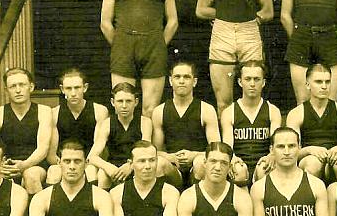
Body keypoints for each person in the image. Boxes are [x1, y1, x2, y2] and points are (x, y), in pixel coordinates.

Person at [100, 0, 179, 117]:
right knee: (123, 107)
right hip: (124, 45)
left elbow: (173, 21)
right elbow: (105, 23)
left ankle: (147, 147)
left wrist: (158, 43)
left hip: (153, 45)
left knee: (150, 109)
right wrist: (121, 43)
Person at [152, 61, 221, 189]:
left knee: (201, 163)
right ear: (170, 81)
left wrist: (194, 155)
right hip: (173, 170)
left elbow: (216, 149)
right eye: (177, 77)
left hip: (197, 169)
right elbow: (156, 151)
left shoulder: (206, 109)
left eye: (187, 77)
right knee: (158, 163)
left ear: (194, 82)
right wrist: (171, 157)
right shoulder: (159, 111)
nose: (182, 81)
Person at [0, 67, 52, 194]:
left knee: (31, 176)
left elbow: (43, 149)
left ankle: (35, 214)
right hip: (7, 165)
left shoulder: (44, 111)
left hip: (34, 164)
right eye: (13, 86)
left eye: (22, 85)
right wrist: (0, 166)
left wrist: (24, 165)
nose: (18, 90)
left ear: (31, 87)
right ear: (6, 90)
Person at [286, 63, 337, 182]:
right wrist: (310, 150)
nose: (324, 86)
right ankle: (312, 199)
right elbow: (291, 152)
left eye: (327, 82)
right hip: (309, 158)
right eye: (318, 82)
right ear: (307, 84)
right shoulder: (296, 114)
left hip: (334, 157)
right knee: (313, 164)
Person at [220, 59, 282, 186]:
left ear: (263, 82)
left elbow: (276, 144)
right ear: (240, 82)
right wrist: (233, 159)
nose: (252, 84)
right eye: (248, 79)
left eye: (257, 79)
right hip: (240, 163)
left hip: (263, 162)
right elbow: (228, 147)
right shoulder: (229, 112)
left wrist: (271, 155)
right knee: (238, 171)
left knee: (265, 168)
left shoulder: (272, 111)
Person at [46, 68, 109, 185]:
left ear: (85, 88)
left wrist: (82, 164)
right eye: (68, 88)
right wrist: (67, 165)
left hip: (89, 162)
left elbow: (99, 150)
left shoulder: (100, 111)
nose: (73, 93)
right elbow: (51, 155)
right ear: (62, 89)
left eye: (77, 88)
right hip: (64, 162)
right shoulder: (54, 113)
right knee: (54, 171)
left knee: (90, 171)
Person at [87, 83, 153, 190]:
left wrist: (130, 166)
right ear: (113, 102)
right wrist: (108, 167)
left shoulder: (144, 122)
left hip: (137, 164)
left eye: (128, 101)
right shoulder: (107, 124)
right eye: (120, 101)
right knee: (103, 174)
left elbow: (145, 152)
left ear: (136, 102)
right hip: (114, 167)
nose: (124, 105)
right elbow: (92, 157)